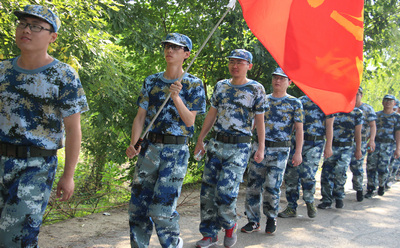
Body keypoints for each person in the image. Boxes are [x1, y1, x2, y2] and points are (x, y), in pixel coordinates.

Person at [0, 5, 89, 247]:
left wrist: (68, 175)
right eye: (23, 24)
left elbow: (73, 129)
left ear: (52, 37)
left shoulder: (64, 75)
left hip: (36, 166)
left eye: (36, 26)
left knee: (15, 239)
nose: (26, 30)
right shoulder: (3, 70)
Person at [125, 33, 206, 248]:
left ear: (186, 54)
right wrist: (134, 143)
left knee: (162, 210)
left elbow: (190, 121)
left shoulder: (194, 84)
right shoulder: (151, 81)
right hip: (149, 148)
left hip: (175, 151)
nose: (169, 50)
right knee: (137, 208)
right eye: (167, 46)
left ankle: (172, 243)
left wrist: (177, 97)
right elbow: (140, 116)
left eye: (176, 48)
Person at [193, 49, 266, 248]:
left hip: (240, 146)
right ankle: (209, 234)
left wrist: (261, 147)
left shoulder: (256, 89)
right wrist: (201, 139)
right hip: (216, 144)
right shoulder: (221, 86)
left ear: (249, 66)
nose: (235, 65)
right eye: (232, 62)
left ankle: (229, 224)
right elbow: (212, 114)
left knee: (226, 191)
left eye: (240, 62)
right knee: (208, 191)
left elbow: (260, 120)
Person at [241, 67, 304, 235]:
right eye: (275, 77)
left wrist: (298, 152)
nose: (277, 80)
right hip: (259, 148)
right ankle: (253, 220)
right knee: (253, 185)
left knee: (272, 186)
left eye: (282, 78)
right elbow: (254, 122)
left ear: (289, 82)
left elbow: (299, 130)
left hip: (280, 150)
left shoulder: (294, 103)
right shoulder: (263, 99)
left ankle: (271, 217)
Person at [279, 94, 334, 219]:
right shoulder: (300, 101)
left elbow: (329, 126)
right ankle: (291, 207)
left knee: (307, 174)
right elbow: (293, 123)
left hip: (315, 143)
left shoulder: (326, 102)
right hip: (297, 142)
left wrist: (328, 146)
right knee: (291, 175)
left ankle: (309, 200)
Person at [318, 106, 363, 209]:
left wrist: (358, 149)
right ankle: (327, 199)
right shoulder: (332, 109)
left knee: (340, 171)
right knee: (326, 172)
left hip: (346, 147)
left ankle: (339, 196)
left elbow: (358, 132)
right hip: (332, 146)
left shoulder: (357, 112)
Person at [365, 94, 400, 198]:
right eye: (386, 100)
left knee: (383, 167)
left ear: (394, 103)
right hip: (375, 143)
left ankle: (381, 185)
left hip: (388, 145)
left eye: (390, 101)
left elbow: (398, 133)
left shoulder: (396, 117)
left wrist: (398, 148)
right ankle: (370, 188)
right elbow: (370, 129)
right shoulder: (376, 115)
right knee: (371, 166)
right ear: (382, 102)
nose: (388, 102)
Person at [348, 87, 376, 202]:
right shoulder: (346, 107)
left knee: (357, 166)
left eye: (357, 94)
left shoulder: (367, 109)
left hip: (362, 141)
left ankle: (359, 189)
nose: (355, 96)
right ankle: (336, 192)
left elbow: (373, 125)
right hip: (346, 141)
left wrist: (372, 140)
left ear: (361, 95)